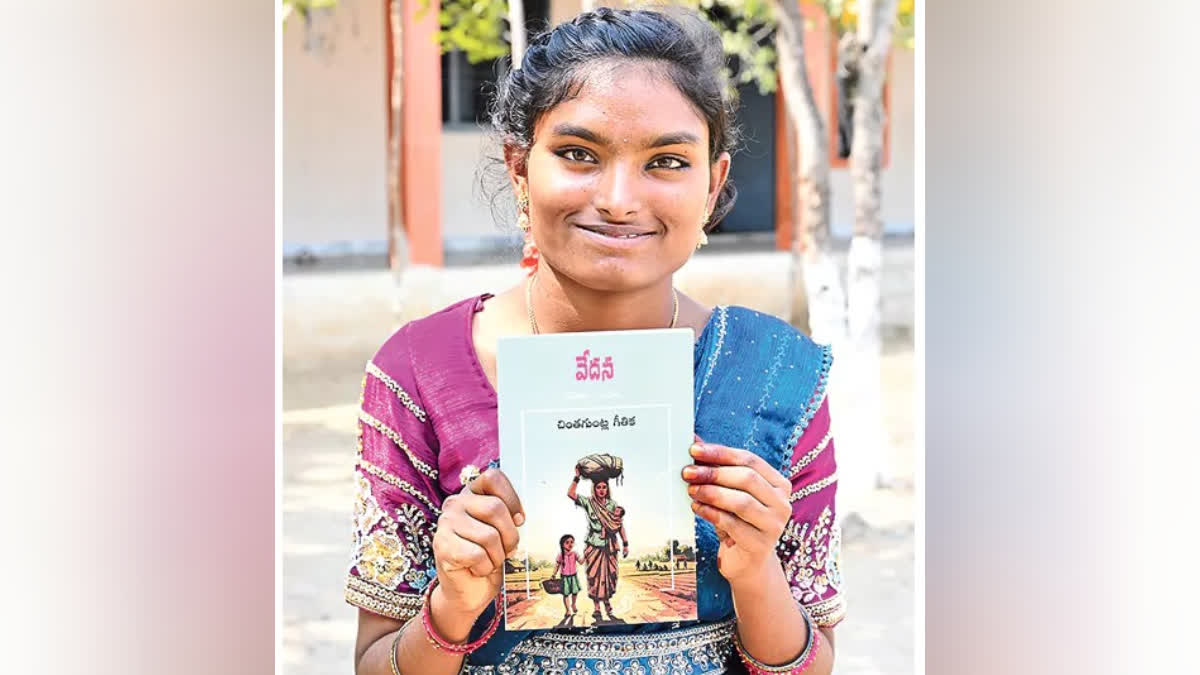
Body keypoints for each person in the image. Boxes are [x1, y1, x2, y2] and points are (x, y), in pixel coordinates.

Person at [347, 7, 843, 675]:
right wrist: (452, 602)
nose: (617, 198)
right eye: (578, 154)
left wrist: (755, 571)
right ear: (520, 168)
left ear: (713, 184)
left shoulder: (778, 373)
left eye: (666, 161)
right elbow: (375, 663)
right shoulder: (418, 373)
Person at [567, 467, 629, 623]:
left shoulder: (613, 505)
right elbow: (571, 494)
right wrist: (577, 478)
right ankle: (596, 607)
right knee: (594, 576)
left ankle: (607, 603)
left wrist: (626, 543)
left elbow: (619, 525)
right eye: (598, 487)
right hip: (594, 545)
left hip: (609, 546)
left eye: (604, 487)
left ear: (607, 489)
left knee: (610, 575)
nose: (601, 490)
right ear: (594, 489)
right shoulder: (589, 503)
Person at [550, 534, 584, 618]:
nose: (570, 544)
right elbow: (557, 566)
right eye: (567, 542)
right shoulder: (560, 555)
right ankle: (568, 610)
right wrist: (553, 575)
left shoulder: (574, 553)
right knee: (566, 594)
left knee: (575, 592)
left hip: (573, 576)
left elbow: (581, 562)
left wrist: (586, 555)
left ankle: (573, 604)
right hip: (564, 577)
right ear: (562, 544)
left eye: (572, 542)